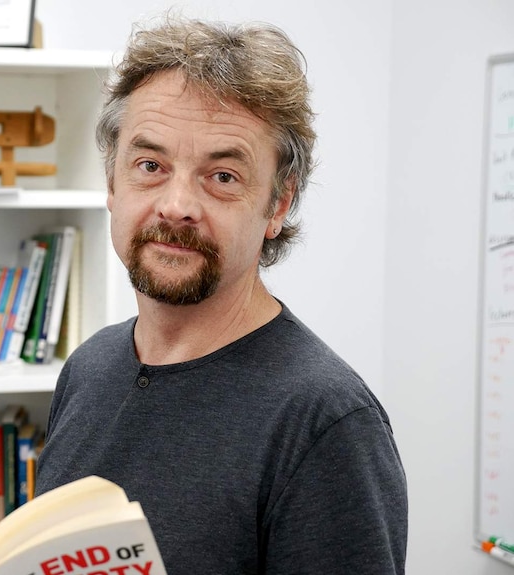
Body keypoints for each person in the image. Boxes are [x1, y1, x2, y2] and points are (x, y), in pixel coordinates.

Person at [35, 15, 408, 575]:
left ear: (278, 206)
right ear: (112, 183)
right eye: (150, 166)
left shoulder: (326, 422)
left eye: (223, 177)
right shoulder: (88, 370)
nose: (177, 204)